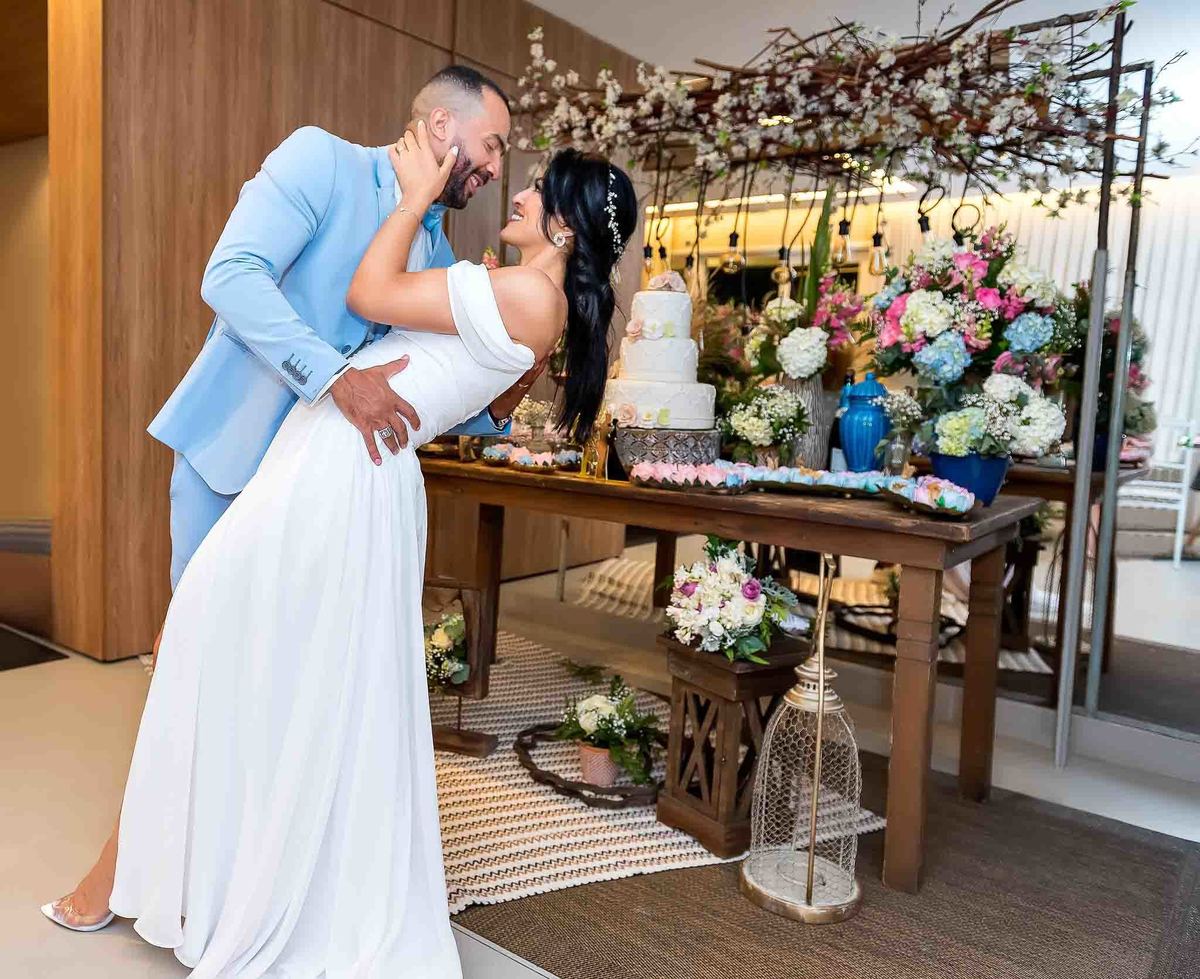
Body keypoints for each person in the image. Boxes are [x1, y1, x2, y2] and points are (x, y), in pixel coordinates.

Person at [46, 117, 638, 975]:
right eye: (503, 151)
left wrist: (411, 199)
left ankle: (196, 880)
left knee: (223, 638)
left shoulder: (517, 292)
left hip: (342, 470)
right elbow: (456, 381)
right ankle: (189, 872)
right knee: (249, 656)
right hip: (329, 460)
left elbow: (368, 296)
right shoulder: (505, 287)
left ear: (566, 226)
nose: (514, 184)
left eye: (536, 185)